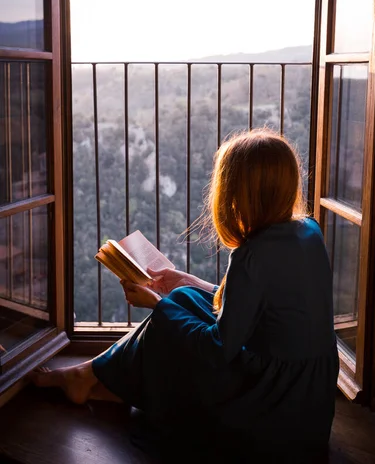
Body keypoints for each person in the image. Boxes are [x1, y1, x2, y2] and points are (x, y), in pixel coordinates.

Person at [31, 129, 339, 463]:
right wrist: (183, 280)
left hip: (270, 403)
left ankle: (86, 376)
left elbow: (218, 349)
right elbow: (253, 308)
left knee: (171, 315)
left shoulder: (253, 255)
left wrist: (158, 305)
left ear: (236, 192)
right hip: (309, 400)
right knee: (186, 297)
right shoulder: (308, 231)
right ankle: (89, 375)